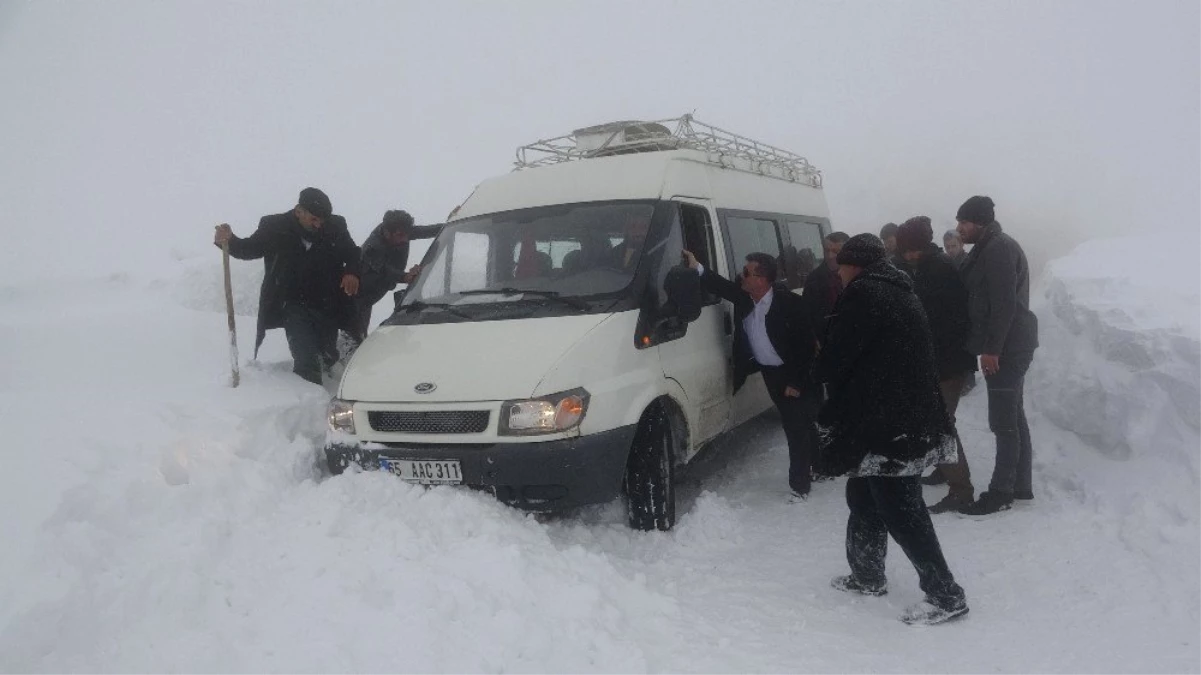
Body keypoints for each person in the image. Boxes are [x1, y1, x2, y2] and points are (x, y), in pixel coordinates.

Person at [815, 233, 968, 625]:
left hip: (891, 424)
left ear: (854, 265)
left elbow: (837, 357)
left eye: (841, 264)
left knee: (902, 509)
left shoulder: (866, 294)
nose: (838, 271)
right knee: (863, 493)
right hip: (896, 415)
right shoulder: (898, 288)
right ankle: (867, 574)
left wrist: (815, 367)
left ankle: (946, 595)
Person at [682, 249, 819, 500]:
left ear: (762, 278)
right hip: (770, 373)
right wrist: (696, 266)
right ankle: (818, 464)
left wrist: (796, 382)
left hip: (794, 374)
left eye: (746, 272)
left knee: (795, 427)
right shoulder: (746, 298)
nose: (740, 276)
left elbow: (806, 348)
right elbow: (721, 286)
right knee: (803, 424)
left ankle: (800, 486)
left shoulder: (790, 304)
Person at [213, 187, 361, 385]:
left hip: (327, 301)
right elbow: (249, 249)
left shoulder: (336, 226)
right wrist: (230, 240)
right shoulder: (274, 226)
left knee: (328, 353)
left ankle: (329, 385)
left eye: (322, 220)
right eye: (314, 219)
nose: (319, 224)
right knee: (305, 357)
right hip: (292, 303)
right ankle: (309, 401)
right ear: (299, 211)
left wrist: (351, 271)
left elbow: (352, 253)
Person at [955, 196, 1040, 516]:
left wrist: (992, 349)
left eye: (964, 222)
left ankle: (1001, 492)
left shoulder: (998, 248)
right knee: (1013, 415)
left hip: (1008, 347)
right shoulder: (990, 246)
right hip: (1010, 343)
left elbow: (1003, 304)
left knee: (1003, 422)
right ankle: (1020, 485)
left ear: (980, 222)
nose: (959, 228)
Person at [896, 217, 978, 513]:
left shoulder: (940, 271)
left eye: (911, 250)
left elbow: (948, 323)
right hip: (934, 362)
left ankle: (961, 490)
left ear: (921, 247)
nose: (907, 255)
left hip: (946, 362)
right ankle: (946, 471)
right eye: (905, 251)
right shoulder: (922, 269)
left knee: (940, 425)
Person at [355, 209, 442, 339]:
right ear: (387, 233)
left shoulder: (401, 231)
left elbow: (427, 230)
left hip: (379, 289)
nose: (405, 239)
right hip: (359, 295)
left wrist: (451, 221)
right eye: (401, 235)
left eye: (407, 234)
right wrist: (405, 276)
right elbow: (385, 270)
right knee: (356, 336)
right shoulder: (373, 247)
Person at [802, 231, 850, 342]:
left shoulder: (858, 275)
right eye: (826, 250)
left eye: (835, 251)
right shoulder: (813, 279)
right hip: (827, 340)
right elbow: (806, 315)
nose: (830, 256)